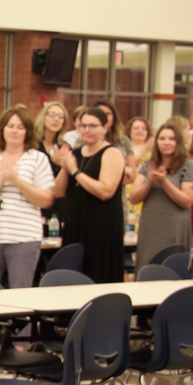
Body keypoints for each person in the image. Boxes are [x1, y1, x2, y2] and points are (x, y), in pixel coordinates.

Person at [0, 105, 54, 288]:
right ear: (2, 129)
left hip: (24, 237)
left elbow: (45, 199)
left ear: (27, 132)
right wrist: (0, 181)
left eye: (20, 127)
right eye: (10, 126)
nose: (14, 131)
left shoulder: (38, 159)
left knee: (20, 290)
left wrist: (18, 181)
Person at [54, 107, 125, 283]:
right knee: (73, 276)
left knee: (98, 276)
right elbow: (58, 191)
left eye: (92, 126)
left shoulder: (111, 153)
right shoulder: (75, 154)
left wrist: (75, 171)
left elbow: (105, 191)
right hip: (76, 224)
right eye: (83, 125)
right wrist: (65, 166)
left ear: (104, 129)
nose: (86, 130)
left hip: (101, 228)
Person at [128, 123, 193, 272]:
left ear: (179, 142)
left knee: (173, 270)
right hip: (150, 225)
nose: (166, 142)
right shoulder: (148, 165)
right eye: (162, 138)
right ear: (156, 142)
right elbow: (133, 198)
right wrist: (149, 182)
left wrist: (164, 181)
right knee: (147, 267)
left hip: (174, 226)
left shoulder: (188, 165)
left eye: (171, 139)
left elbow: (187, 201)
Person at [35, 101, 71, 226]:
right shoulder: (32, 146)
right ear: (42, 117)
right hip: (38, 205)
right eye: (52, 115)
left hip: (60, 207)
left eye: (61, 116)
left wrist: (63, 165)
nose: (56, 119)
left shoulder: (65, 148)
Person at [125, 116, 153, 224]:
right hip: (128, 186)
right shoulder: (125, 148)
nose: (140, 131)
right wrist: (145, 147)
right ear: (129, 130)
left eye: (143, 128)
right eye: (136, 128)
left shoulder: (153, 150)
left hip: (144, 187)